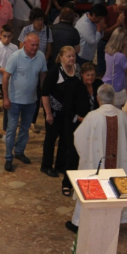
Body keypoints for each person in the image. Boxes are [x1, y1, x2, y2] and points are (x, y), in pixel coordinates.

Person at [66, 84, 127, 233]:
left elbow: (79, 138)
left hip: (97, 163)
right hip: (117, 165)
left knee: (90, 186)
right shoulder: (122, 116)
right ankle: (113, 223)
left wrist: (87, 154)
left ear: (98, 98)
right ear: (113, 98)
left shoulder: (93, 116)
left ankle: (79, 223)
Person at [2, 32, 47, 172]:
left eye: (37, 45)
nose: (35, 48)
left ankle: (19, 151)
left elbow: (43, 76)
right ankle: (8, 157)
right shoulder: (15, 57)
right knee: (11, 129)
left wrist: (42, 97)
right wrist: (5, 98)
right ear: (25, 44)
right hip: (14, 100)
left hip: (31, 100)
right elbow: (5, 77)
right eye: (32, 45)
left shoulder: (41, 57)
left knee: (25, 129)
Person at [62, 62, 103, 195]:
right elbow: (67, 108)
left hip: (94, 127)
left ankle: (88, 182)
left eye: (92, 75)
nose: (90, 78)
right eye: (87, 75)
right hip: (75, 125)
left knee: (91, 153)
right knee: (73, 154)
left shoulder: (99, 85)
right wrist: (81, 119)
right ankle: (67, 183)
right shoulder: (74, 86)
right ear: (82, 75)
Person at [40, 45, 80, 178]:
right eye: (68, 56)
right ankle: (46, 166)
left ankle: (60, 165)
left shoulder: (77, 69)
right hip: (54, 111)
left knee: (66, 139)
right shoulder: (54, 72)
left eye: (73, 55)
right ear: (61, 57)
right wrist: (49, 113)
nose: (71, 58)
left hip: (68, 112)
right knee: (51, 139)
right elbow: (44, 93)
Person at [101, 27, 127, 109]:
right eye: (125, 40)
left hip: (108, 84)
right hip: (117, 89)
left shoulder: (107, 51)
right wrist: (126, 54)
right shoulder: (120, 57)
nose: (126, 42)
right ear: (120, 41)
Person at [0, 24, 17, 141]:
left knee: (7, 105)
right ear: (0, 36)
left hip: (9, 80)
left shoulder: (15, 48)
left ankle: (6, 130)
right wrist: (1, 69)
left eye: (9, 36)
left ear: (12, 36)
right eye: (4, 36)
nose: (6, 39)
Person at [98, 0, 127, 76]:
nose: (122, 12)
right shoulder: (107, 11)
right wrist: (117, 24)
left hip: (120, 44)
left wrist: (123, 24)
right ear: (115, 5)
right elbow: (104, 33)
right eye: (120, 9)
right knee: (102, 71)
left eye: (124, 9)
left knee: (117, 71)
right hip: (106, 43)